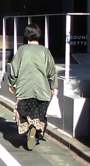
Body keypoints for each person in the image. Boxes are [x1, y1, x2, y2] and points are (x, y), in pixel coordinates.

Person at [6, 23, 57, 151]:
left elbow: (14, 69)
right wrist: (53, 86)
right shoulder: (45, 51)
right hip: (42, 90)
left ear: (26, 35)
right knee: (40, 114)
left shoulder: (22, 50)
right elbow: (51, 70)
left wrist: (12, 83)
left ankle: (27, 130)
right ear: (39, 35)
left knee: (23, 112)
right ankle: (36, 134)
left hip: (24, 89)